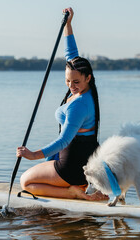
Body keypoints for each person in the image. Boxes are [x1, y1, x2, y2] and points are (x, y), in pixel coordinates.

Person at [16, 8, 109, 201]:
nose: (71, 86)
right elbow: (71, 54)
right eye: (68, 81)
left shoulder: (79, 105)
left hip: (71, 167)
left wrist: (34, 155)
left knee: (26, 182)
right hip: (80, 163)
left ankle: (73, 192)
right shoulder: (86, 87)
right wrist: (69, 24)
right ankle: (78, 186)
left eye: (76, 82)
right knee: (33, 176)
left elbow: (64, 141)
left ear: (88, 78)